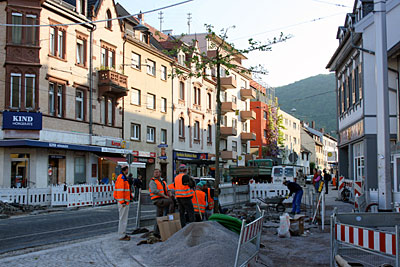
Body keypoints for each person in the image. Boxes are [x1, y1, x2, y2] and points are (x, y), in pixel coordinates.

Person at [149, 169, 174, 235]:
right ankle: (169, 216)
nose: (156, 173)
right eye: (155, 172)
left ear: (160, 173)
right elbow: (155, 191)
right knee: (170, 202)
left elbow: (167, 189)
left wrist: (170, 194)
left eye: (157, 172)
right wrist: (165, 196)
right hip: (157, 199)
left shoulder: (163, 181)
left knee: (159, 215)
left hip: (162, 199)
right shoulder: (152, 181)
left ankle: (157, 231)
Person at [113, 166, 132, 241]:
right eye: (127, 169)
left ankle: (123, 233)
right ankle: (122, 235)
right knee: (123, 219)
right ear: (126, 170)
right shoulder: (122, 178)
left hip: (124, 201)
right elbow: (121, 191)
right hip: (123, 202)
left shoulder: (122, 177)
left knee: (123, 218)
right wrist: (122, 202)